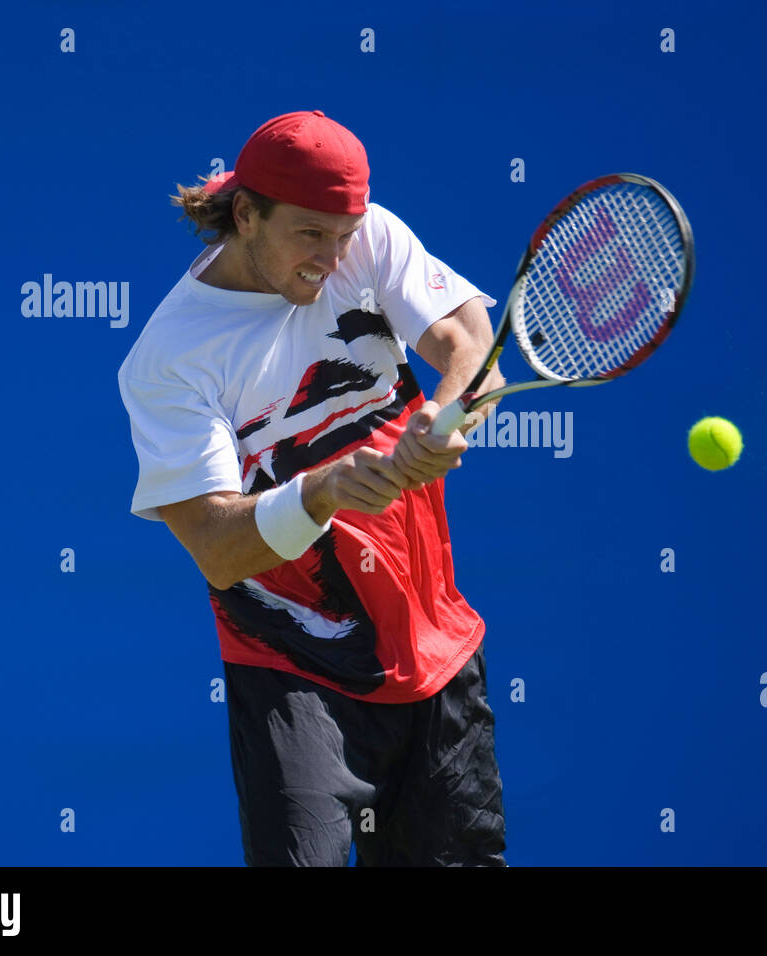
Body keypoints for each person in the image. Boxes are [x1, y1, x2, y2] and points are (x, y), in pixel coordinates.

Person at [117, 110, 507, 866]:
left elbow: (470, 349)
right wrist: (322, 490)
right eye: (309, 235)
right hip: (294, 672)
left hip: (434, 649)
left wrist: (450, 412)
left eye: (344, 234)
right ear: (245, 213)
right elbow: (218, 550)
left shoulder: (368, 239)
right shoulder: (170, 359)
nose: (332, 259)